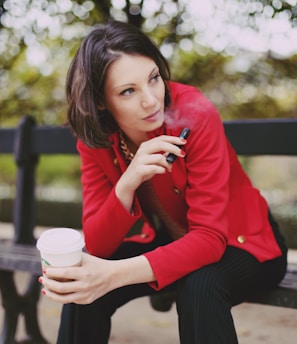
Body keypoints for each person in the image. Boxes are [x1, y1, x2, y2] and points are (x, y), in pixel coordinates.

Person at [39, 20, 287, 344]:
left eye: (154, 78)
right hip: (167, 240)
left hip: (242, 242)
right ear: (100, 102)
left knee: (199, 283)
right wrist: (127, 182)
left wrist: (111, 275)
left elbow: (210, 239)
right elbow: (98, 244)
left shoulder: (194, 112)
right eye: (128, 91)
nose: (152, 100)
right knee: (83, 281)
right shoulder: (95, 137)